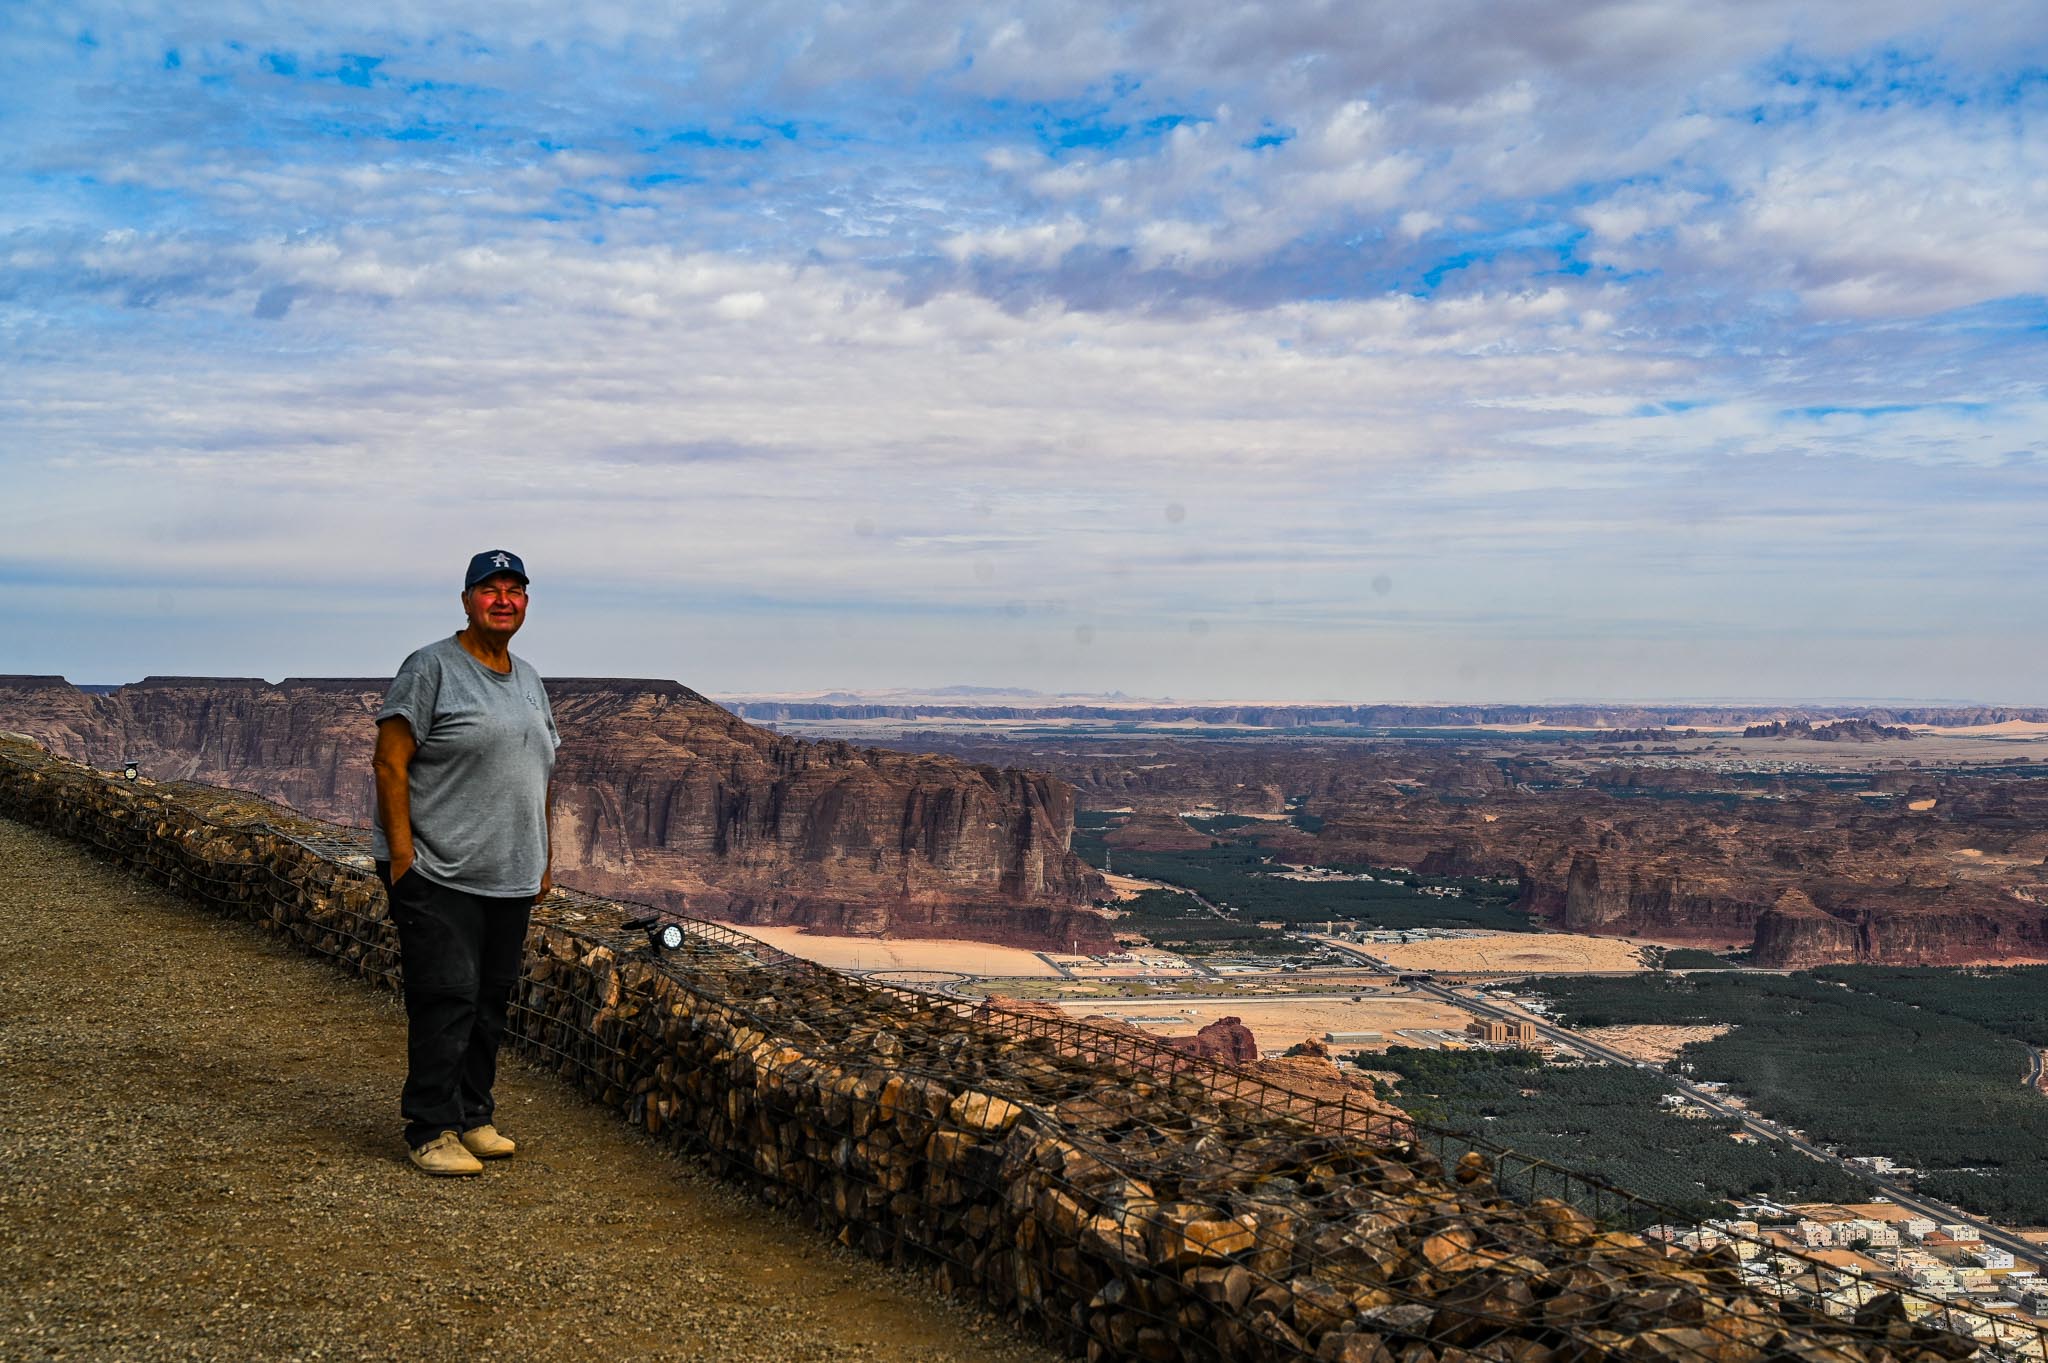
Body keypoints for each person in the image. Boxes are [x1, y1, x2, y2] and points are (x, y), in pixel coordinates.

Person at [371, 550, 558, 1176]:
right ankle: (430, 1129)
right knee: (446, 996)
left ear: (525, 603)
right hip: (438, 869)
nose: (503, 600)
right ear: (467, 600)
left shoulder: (528, 678)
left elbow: (540, 769)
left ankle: (474, 1117)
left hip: (509, 873)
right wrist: (403, 857)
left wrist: (543, 856)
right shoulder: (430, 667)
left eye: (514, 590)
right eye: (490, 589)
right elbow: (389, 761)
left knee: (490, 1000)